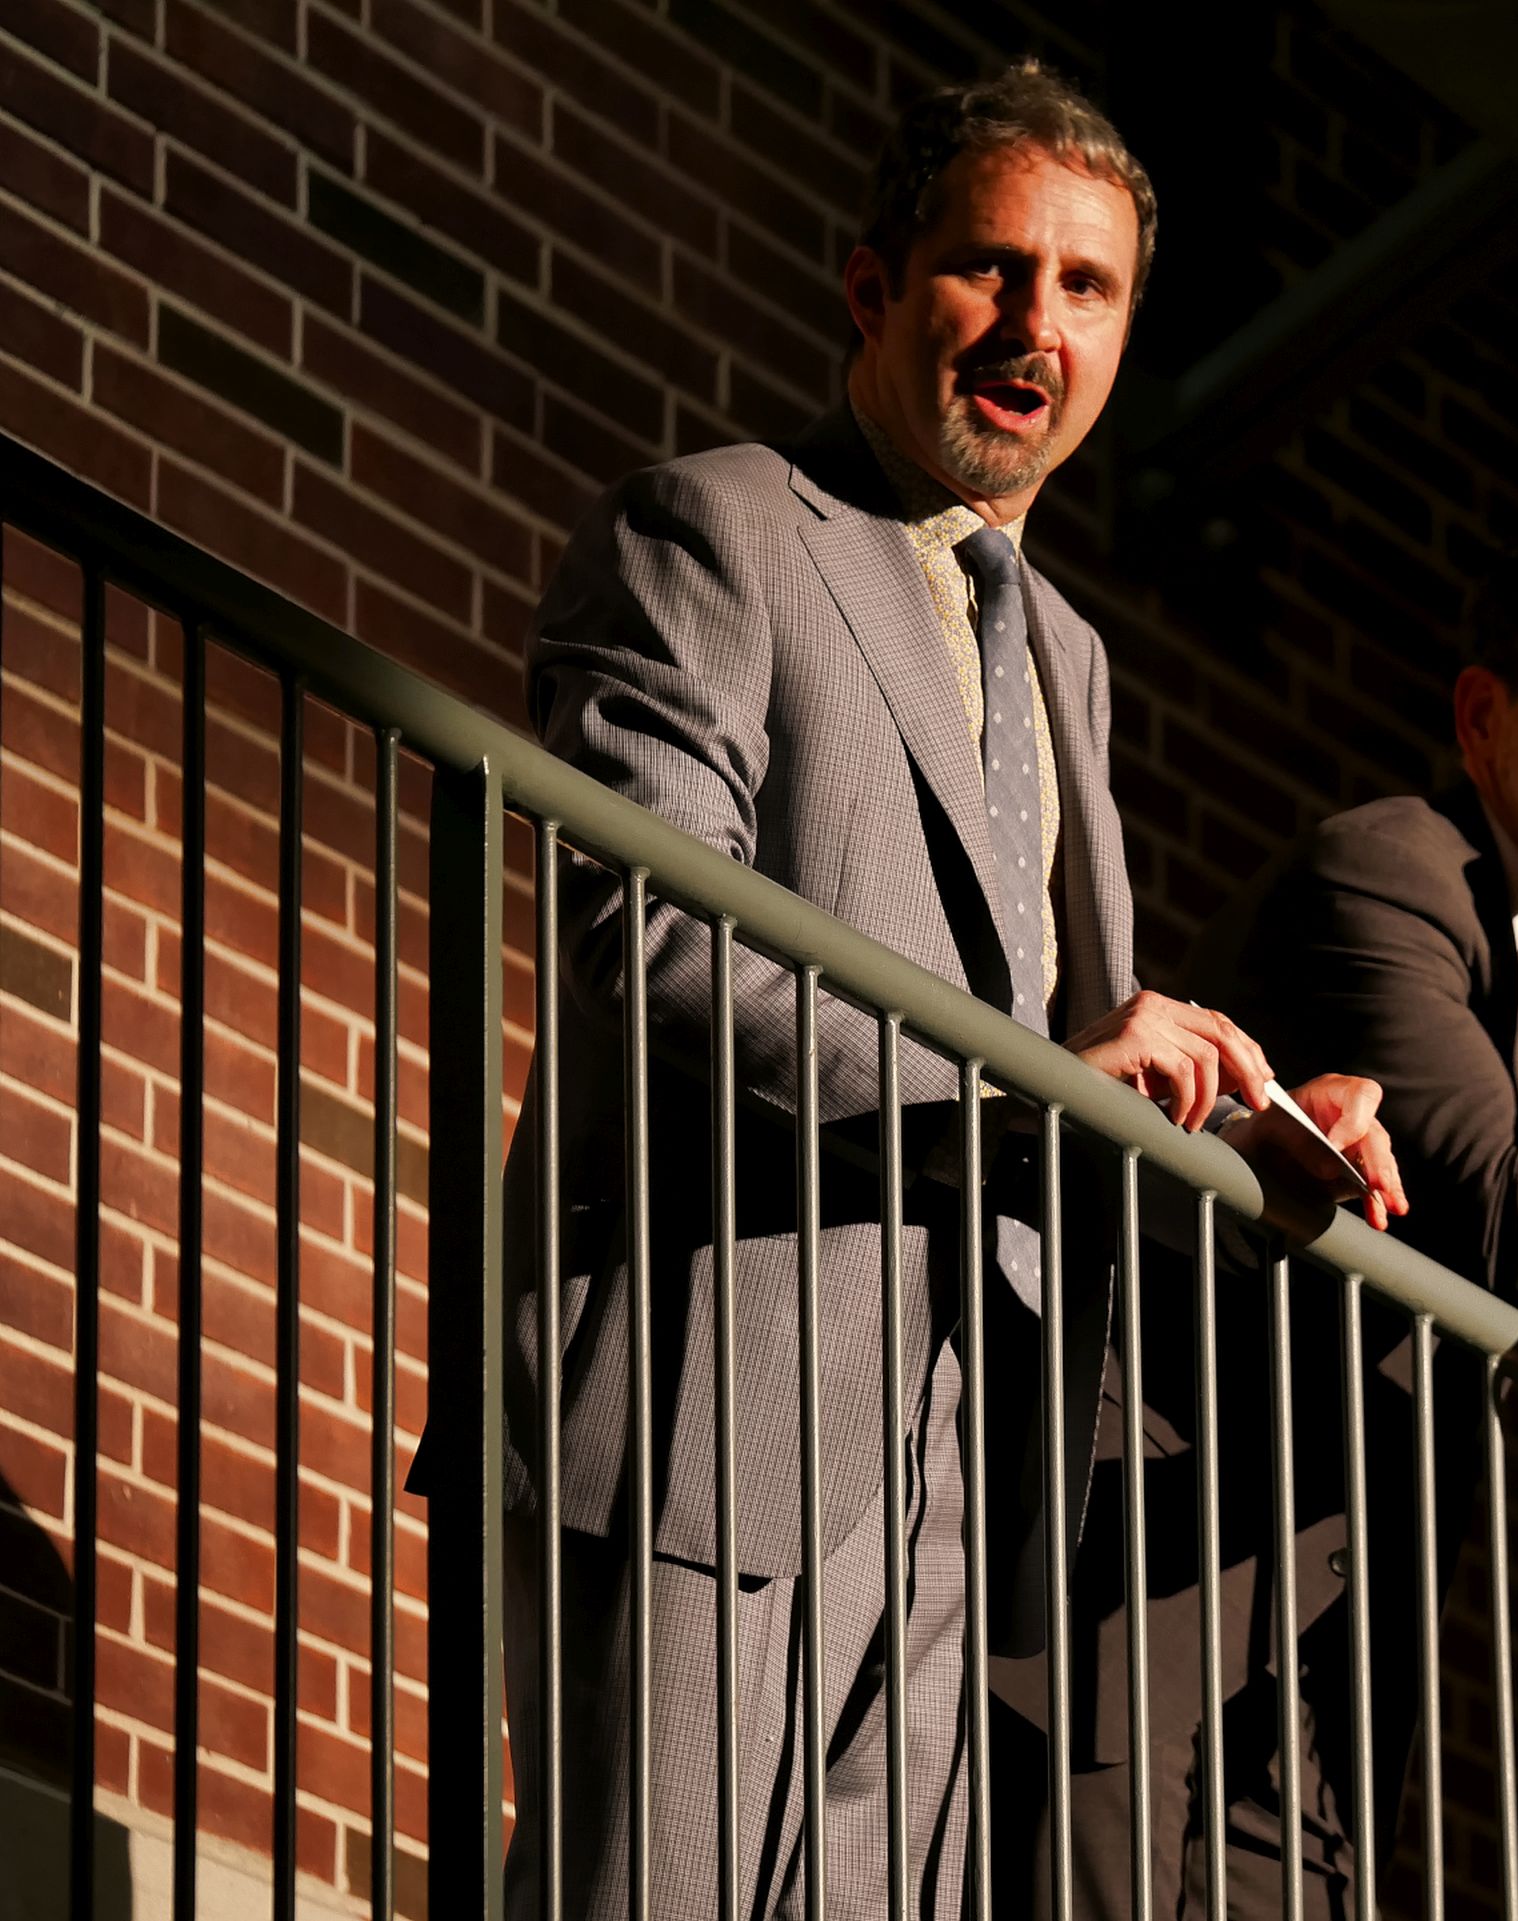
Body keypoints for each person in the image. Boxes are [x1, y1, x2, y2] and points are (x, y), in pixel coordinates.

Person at [467, 63, 1402, 1921]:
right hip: (715, 1414)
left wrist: (1241, 1132)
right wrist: (1032, 1083)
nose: (1035, 323)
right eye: (992, 267)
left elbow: (1068, 1071)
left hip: (972, 1485)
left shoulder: (1069, 652)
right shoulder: (714, 526)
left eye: (1087, 287)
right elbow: (648, 934)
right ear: (872, 288)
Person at [1008, 518, 1518, 1915]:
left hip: (1335, 1661)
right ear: (1482, 714)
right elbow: (1508, 1239)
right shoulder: (1391, 871)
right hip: (1143, 1574)